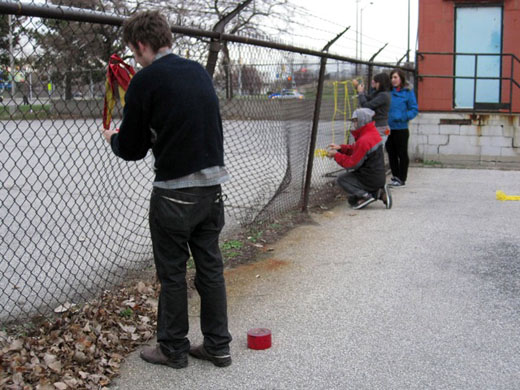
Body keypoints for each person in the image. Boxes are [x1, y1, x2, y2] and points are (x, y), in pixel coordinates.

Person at [101, 10, 232, 369]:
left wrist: (114, 138)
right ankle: (219, 345)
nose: (135, 59)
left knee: (173, 272)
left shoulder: (146, 81)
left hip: (174, 193)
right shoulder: (199, 73)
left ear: (141, 45)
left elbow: (132, 149)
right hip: (212, 188)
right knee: (210, 267)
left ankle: (173, 348)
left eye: (134, 52)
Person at [328, 108, 392, 210]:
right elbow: (357, 149)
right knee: (352, 200)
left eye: (355, 121)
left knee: (342, 179)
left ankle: (365, 196)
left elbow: (353, 164)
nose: (354, 124)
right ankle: (379, 193)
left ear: (362, 120)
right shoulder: (372, 133)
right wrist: (341, 148)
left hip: (370, 178)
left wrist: (336, 155)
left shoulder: (364, 139)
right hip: (378, 176)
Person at [386, 69, 418, 188]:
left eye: (395, 77)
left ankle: (402, 178)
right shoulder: (388, 92)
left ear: (401, 79)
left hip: (401, 128)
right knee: (391, 153)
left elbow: (414, 109)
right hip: (388, 128)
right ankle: (395, 176)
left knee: (402, 153)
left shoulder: (407, 92)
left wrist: (403, 117)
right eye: (392, 78)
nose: (393, 80)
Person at [353, 72, 392, 143]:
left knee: (376, 152)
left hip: (380, 128)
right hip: (377, 127)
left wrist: (361, 93)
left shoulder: (384, 95)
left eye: (376, 82)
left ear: (381, 83)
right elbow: (368, 98)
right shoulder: (379, 93)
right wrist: (358, 89)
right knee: (373, 151)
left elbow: (366, 106)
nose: (375, 83)